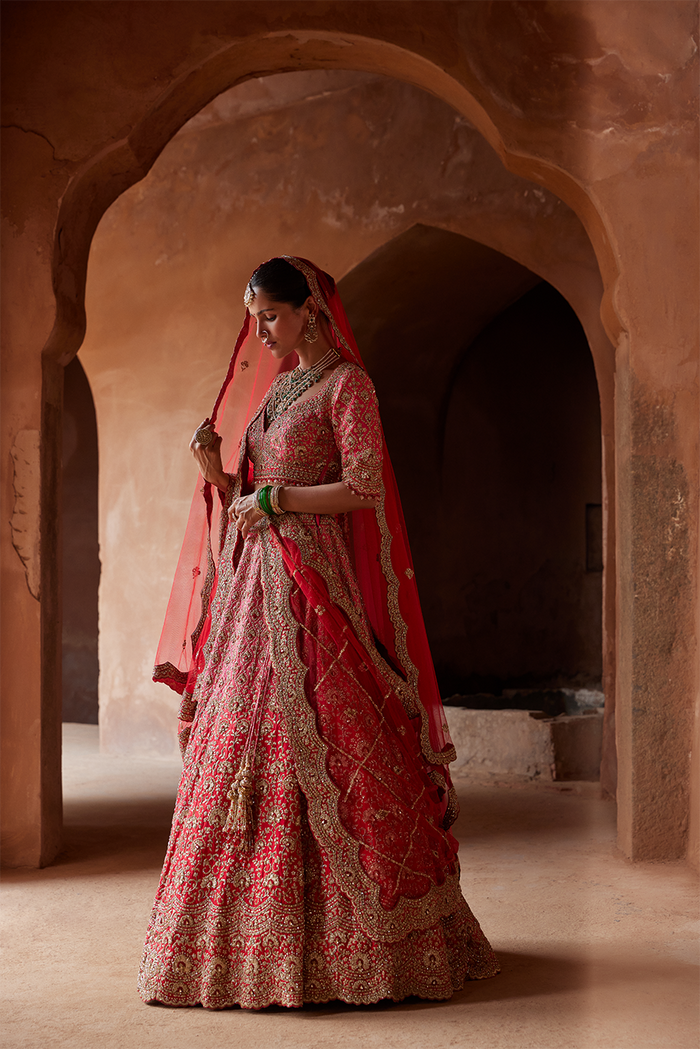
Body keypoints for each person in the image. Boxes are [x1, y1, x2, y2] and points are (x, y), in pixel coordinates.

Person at [138, 256, 499, 1009]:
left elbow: (365, 487)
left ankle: (370, 952)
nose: (260, 330)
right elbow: (252, 498)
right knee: (231, 747)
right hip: (252, 598)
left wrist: (276, 499)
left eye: (270, 314)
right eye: (255, 317)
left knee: (346, 746)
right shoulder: (276, 395)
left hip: (313, 596)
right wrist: (222, 477)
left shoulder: (348, 387)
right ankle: (232, 952)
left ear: (309, 311)